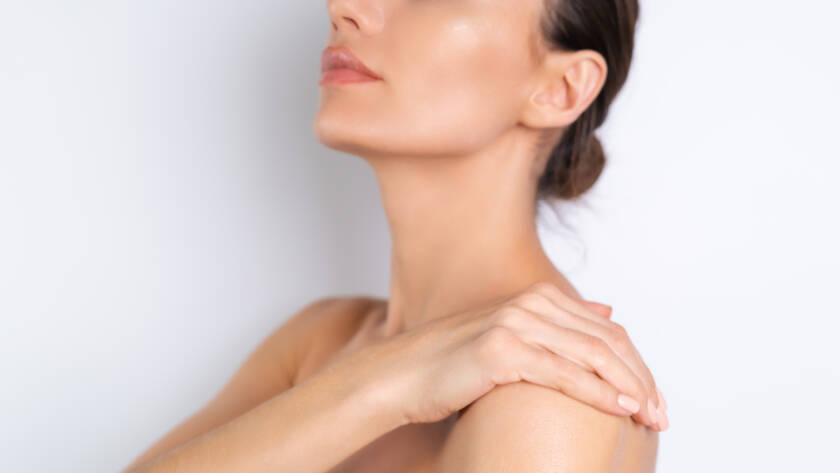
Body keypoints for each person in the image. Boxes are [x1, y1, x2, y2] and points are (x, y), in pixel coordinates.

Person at [122, 0, 668, 471]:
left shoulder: (552, 389)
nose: (344, 8)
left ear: (561, 89)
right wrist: (390, 380)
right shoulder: (319, 342)